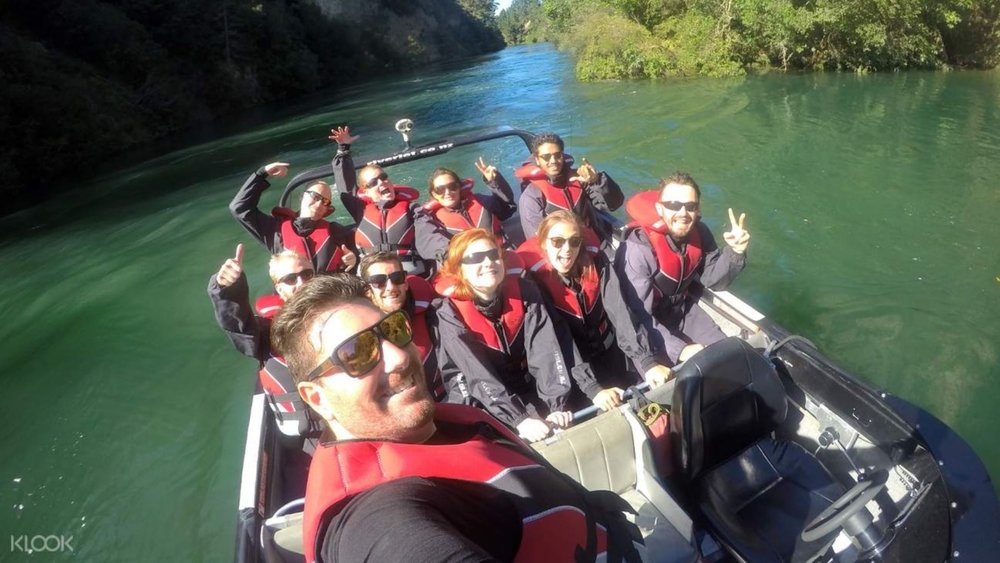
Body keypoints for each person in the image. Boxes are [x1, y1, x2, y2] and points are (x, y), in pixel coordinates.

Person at [270, 274, 644, 563]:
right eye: (356, 354)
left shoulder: (448, 424)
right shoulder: (374, 516)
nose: (399, 357)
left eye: (394, 331)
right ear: (316, 398)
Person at [433, 229, 614, 443]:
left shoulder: (525, 292)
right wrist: (520, 419)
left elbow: (546, 349)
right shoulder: (449, 314)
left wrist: (555, 406)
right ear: (459, 269)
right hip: (484, 398)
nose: (489, 262)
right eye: (476, 258)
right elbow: (478, 376)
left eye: (493, 255)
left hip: (527, 387)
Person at [517, 210, 673, 399]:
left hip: (610, 350)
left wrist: (647, 361)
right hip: (573, 369)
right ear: (543, 243)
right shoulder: (533, 284)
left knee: (649, 391)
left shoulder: (597, 263)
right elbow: (556, 340)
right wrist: (593, 388)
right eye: (557, 241)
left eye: (574, 241)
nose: (567, 249)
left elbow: (620, 311)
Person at [616, 172, 751, 364]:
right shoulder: (638, 250)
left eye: (690, 206)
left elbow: (713, 279)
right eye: (673, 205)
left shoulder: (700, 232)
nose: (682, 213)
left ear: (697, 209)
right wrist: (681, 350)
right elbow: (637, 315)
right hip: (648, 326)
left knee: (732, 357)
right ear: (659, 208)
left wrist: (735, 252)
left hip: (682, 311)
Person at [208, 245, 318, 443]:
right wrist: (225, 291)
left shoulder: (341, 313)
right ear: (279, 288)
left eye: (307, 274)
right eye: (291, 279)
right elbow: (238, 325)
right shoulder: (266, 331)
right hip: (308, 438)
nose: (301, 283)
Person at [329, 126, 426, 275]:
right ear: (365, 191)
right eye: (374, 182)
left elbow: (429, 235)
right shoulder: (360, 209)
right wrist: (343, 149)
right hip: (373, 278)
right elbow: (345, 187)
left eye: (384, 177)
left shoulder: (413, 209)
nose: (381, 183)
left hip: (410, 274)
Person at [229, 162, 357, 273]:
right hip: (296, 296)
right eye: (315, 196)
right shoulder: (274, 230)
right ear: (302, 197)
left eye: (325, 202)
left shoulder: (336, 231)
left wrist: (353, 259)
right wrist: (262, 173)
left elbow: (354, 258)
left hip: (329, 295)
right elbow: (239, 208)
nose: (319, 204)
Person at [358, 251, 444, 400]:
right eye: (379, 281)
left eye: (397, 278)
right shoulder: (360, 333)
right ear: (367, 291)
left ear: (406, 283)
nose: (391, 287)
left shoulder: (433, 314)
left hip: (443, 399)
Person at [515, 132, 624, 243]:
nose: (553, 161)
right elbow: (538, 240)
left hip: (594, 239)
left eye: (557, 155)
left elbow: (614, 204)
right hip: (564, 250)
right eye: (546, 157)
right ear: (537, 159)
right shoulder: (531, 196)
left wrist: (597, 180)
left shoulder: (579, 178)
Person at [414, 159, 517, 263]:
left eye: (452, 186)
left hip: (501, 256)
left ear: (459, 187)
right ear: (434, 194)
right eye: (440, 189)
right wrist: (458, 255)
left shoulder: (480, 201)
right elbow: (427, 243)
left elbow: (507, 209)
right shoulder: (431, 219)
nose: (448, 192)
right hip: (466, 266)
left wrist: (494, 182)